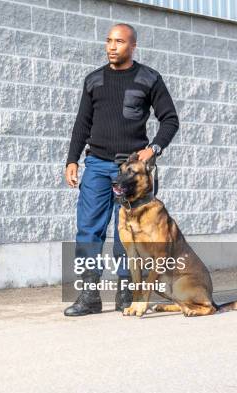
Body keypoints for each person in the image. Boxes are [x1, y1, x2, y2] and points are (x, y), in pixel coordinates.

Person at [63, 23, 179, 316]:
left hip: (131, 173)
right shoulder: (93, 80)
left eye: (119, 42)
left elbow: (170, 120)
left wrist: (153, 149)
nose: (111, 47)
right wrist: (72, 160)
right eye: (108, 41)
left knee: (127, 233)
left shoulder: (149, 79)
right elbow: (82, 124)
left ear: (132, 46)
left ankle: (126, 293)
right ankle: (88, 296)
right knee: (88, 230)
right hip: (97, 166)